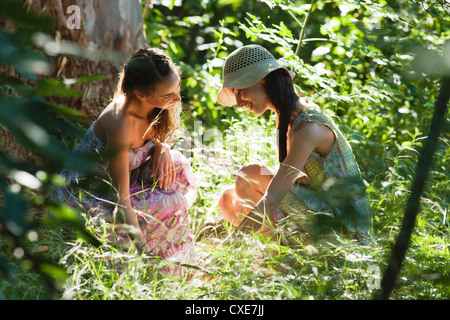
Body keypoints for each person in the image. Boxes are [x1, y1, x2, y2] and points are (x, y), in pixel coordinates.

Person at [52, 48, 197, 262]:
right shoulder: (119, 124)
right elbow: (122, 202)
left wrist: (161, 147)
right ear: (140, 93)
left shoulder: (153, 107)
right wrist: (141, 253)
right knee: (171, 202)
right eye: (168, 95)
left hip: (119, 181)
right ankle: (151, 259)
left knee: (179, 167)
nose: (177, 98)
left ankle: (169, 248)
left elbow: (154, 137)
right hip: (88, 196)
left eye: (176, 90)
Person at [217, 44, 371, 244]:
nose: (238, 103)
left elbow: (273, 198)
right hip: (317, 207)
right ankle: (272, 257)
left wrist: (228, 247)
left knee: (249, 174)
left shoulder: (308, 128)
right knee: (229, 199)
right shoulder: (286, 114)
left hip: (343, 229)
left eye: (239, 91)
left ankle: (275, 262)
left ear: (261, 78)